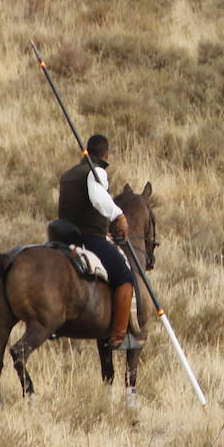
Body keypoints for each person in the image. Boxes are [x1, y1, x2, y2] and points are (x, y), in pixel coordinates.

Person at [57, 133, 134, 347]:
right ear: (106, 154)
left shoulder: (68, 174)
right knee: (126, 277)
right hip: (88, 238)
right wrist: (118, 215)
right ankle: (119, 335)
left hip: (62, 236)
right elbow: (98, 199)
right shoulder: (96, 171)